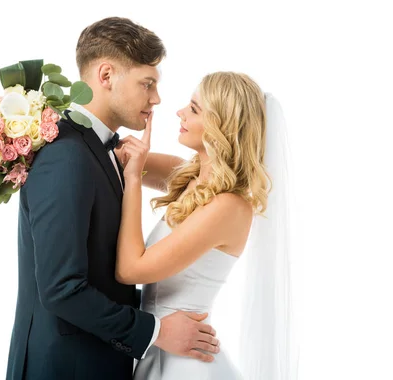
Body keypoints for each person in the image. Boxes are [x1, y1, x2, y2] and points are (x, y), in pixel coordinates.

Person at [5, 17, 220, 380]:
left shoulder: (104, 150)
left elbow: (101, 275)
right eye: (147, 84)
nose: (156, 98)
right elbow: (61, 289)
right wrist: (156, 332)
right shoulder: (67, 154)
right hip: (64, 368)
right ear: (106, 76)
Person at [114, 72, 296, 379]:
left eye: (194, 109)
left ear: (222, 127)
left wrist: (133, 179)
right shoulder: (189, 176)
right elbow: (115, 155)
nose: (180, 112)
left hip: (186, 363)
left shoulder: (229, 206)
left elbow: (130, 270)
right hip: (160, 348)